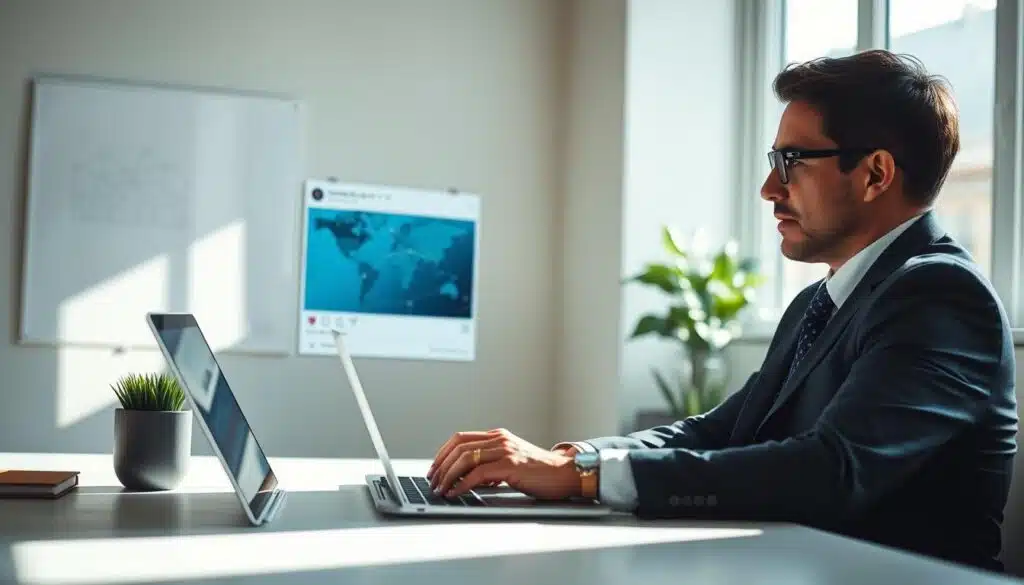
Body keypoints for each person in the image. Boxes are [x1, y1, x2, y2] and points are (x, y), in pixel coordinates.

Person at [425, 49, 1018, 573]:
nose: (768, 187)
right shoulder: (820, 301)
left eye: (792, 161)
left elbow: (833, 470)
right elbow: (721, 431)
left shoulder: (940, 295)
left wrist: (585, 480)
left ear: (875, 174)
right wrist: (572, 459)